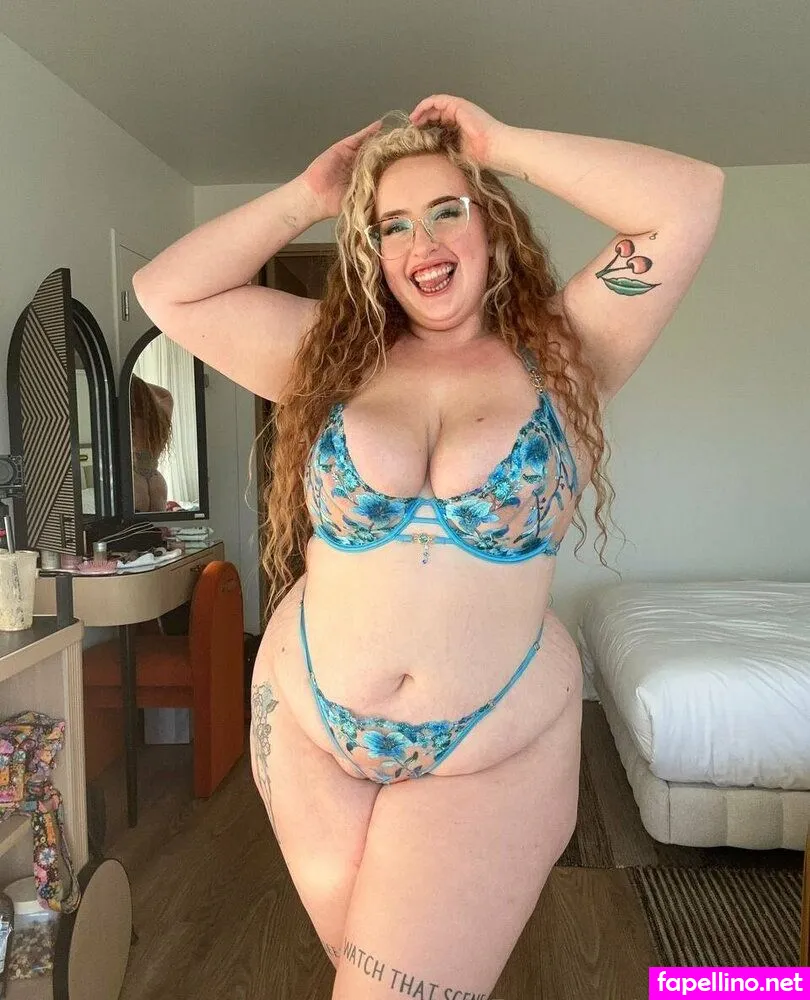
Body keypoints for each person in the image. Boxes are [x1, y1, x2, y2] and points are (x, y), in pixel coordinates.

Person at [132, 95, 724, 998]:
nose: (423, 242)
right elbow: (165, 291)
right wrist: (307, 196)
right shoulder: (328, 358)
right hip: (310, 726)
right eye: (392, 226)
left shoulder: (567, 350)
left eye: (449, 209)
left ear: (493, 223)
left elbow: (690, 199)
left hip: (487, 746)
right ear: (370, 251)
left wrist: (503, 144)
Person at [129, 374, 173, 512]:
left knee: (137, 525)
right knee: (157, 525)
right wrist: (141, 386)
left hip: (134, 480)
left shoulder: (125, 420)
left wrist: (127, 383)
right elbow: (166, 395)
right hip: (156, 481)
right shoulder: (160, 421)